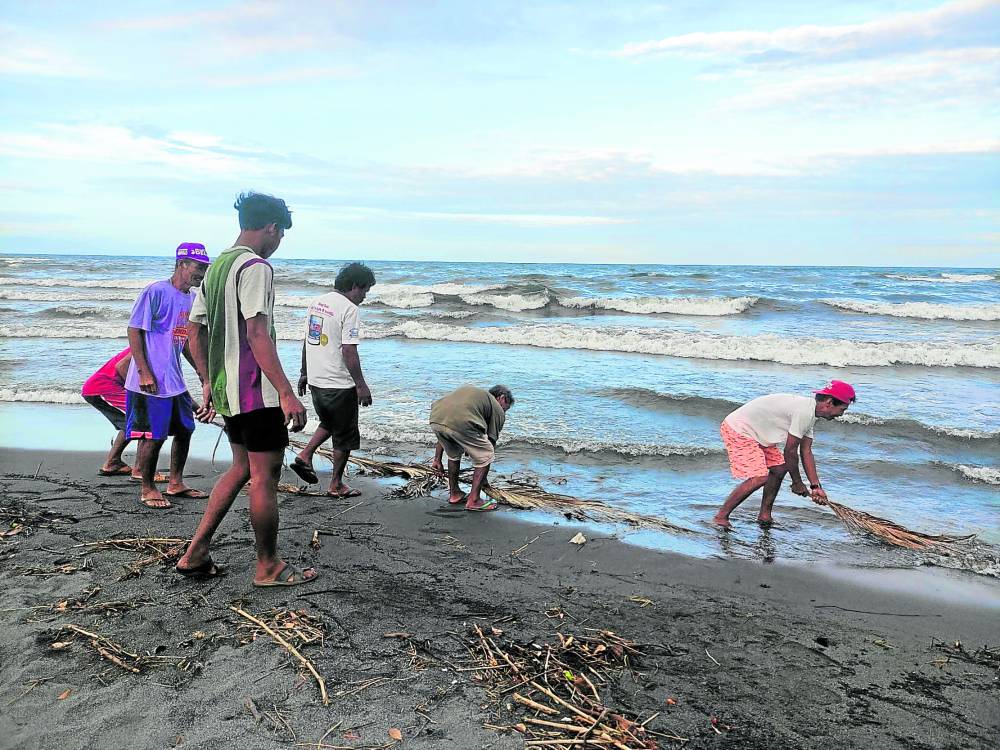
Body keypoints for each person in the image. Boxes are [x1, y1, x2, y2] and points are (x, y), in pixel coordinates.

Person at [176, 191, 317, 586]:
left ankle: (196, 552)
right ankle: (268, 565)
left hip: (228, 392)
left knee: (241, 468)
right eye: (281, 235)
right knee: (265, 475)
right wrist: (286, 392)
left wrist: (207, 380)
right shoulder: (255, 267)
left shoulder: (218, 266)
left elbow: (192, 331)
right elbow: (257, 333)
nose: (278, 244)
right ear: (271, 227)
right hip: (255, 392)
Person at [125, 242, 211, 508]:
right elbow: (134, 330)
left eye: (205, 268)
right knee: (155, 435)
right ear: (182, 264)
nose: (202, 273)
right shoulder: (156, 291)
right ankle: (148, 488)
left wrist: (200, 370)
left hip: (174, 380)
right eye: (198, 267)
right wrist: (144, 371)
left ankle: (176, 483)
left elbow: (184, 341)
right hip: (150, 380)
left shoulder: (191, 299)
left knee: (186, 428)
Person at [712, 380, 857, 529]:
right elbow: (790, 451)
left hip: (757, 433)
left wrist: (816, 487)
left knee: (779, 469)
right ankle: (721, 516)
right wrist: (797, 482)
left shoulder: (810, 414)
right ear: (829, 402)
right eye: (843, 409)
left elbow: (806, 451)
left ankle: (764, 515)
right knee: (760, 477)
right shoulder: (804, 412)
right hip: (739, 429)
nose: (841, 414)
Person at [291, 262, 376, 498]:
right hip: (338, 382)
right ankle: (336, 484)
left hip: (317, 379)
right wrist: (361, 385)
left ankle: (305, 455)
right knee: (345, 436)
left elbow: (309, 339)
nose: (365, 297)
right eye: (365, 290)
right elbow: (349, 350)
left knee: (329, 422)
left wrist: (304, 372)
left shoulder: (317, 303)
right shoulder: (349, 309)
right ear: (355, 286)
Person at [429, 384, 515, 512]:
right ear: (502, 398)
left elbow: (448, 426)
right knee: (486, 455)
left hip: (436, 417)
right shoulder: (496, 407)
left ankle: (454, 494)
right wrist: (483, 477)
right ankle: (474, 500)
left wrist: (437, 459)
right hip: (461, 421)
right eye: (505, 409)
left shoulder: (476, 398)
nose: (503, 412)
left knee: (453, 454)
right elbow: (490, 442)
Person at [83, 347, 143, 478]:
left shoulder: (149, 342)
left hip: (98, 387)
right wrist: (139, 391)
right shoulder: (148, 343)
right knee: (145, 418)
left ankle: (113, 462)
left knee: (131, 422)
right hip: (103, 386)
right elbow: (121, 366)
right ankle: (141, 470)